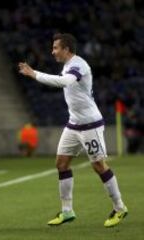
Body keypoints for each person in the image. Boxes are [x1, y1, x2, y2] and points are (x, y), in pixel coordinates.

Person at [18, 33, 128, 227]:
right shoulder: (67, 65)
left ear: (66, 49)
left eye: (55, 48)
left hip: (90, 125)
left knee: (99, 166)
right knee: (61, 163)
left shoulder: (79, 65)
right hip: (74, 123)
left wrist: (34, 74)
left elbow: (64, 82)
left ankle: (120, 208)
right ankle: (67, 211)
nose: (52, 52)